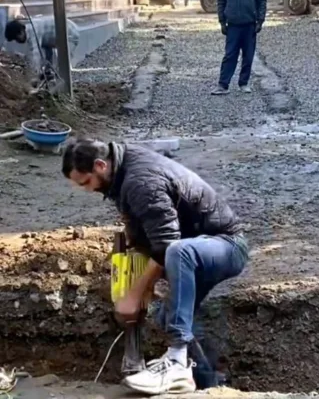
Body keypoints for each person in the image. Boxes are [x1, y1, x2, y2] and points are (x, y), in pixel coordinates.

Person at [62, 138, 249, 395]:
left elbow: (166, 244)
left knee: (179, 251)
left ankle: (177, 361)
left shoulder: (140, 180)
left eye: (86, 182)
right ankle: (210, 383)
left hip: (226, 246)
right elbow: (144, 226)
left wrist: (135, 294)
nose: (87, 189)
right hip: (197, 247)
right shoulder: (122, 166)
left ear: (100, 165)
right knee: (168, 314)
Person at [211, 0, 266, 95]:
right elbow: (221, 1)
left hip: (249, 25)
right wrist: (222, 22)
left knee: (248, 56)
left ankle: (244, 83)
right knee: (230, 55)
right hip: (233, 26)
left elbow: (261, 1)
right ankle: (223, 85)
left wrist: (260, 21)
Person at [3, 16, 80, 75]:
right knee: (52, 59)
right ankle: (51, 73)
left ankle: (65, 86)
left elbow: (36, 54)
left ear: (21, 32)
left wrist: (34, 73)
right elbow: (48, 49)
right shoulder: (34, 29)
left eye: (16, 38)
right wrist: (47, 68)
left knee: (62, 66)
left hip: (70, 34)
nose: (17, 41)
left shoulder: (33, 32)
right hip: (65, 33)